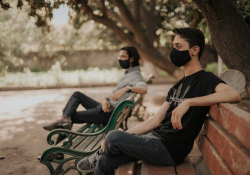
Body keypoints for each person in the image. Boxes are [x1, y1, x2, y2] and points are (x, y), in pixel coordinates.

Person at [76, 27, 241, 175]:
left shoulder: (206, 79)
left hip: (169, 150)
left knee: (113, 137)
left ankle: (99, 152)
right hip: (154, 140)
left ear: (194, 50)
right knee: (105, 160)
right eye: (173, 46)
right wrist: (126, 136)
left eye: (178, 47)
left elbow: (233, 95)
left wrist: (189, 102)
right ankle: (100, 154)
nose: (173, 51)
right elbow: (155, 121)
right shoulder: (178, 85)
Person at [43, 46, 148, 131]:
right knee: (77, 95)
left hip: (108, 115)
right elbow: (114, 95)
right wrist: (105, 100)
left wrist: (126, 88)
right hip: (105, 108)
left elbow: (144, 88)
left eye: (123, 57)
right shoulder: (129, 73)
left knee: (70, 116)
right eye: (119, 56)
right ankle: (65, 121)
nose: (119, 59)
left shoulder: (135, 75)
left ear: (132, 59)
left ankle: (58, 148)